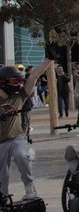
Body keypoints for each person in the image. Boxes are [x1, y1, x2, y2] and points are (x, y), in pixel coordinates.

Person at [0, 60, 53, 201]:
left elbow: (34, 76)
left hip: (17, 138)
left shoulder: (19, 96)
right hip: (0, 143)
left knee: (22, 155)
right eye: (13, 81)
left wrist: (49, 59)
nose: (18, 84)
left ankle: (29, 186)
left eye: (19, 81)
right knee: (2, 177)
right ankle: (3, 198)